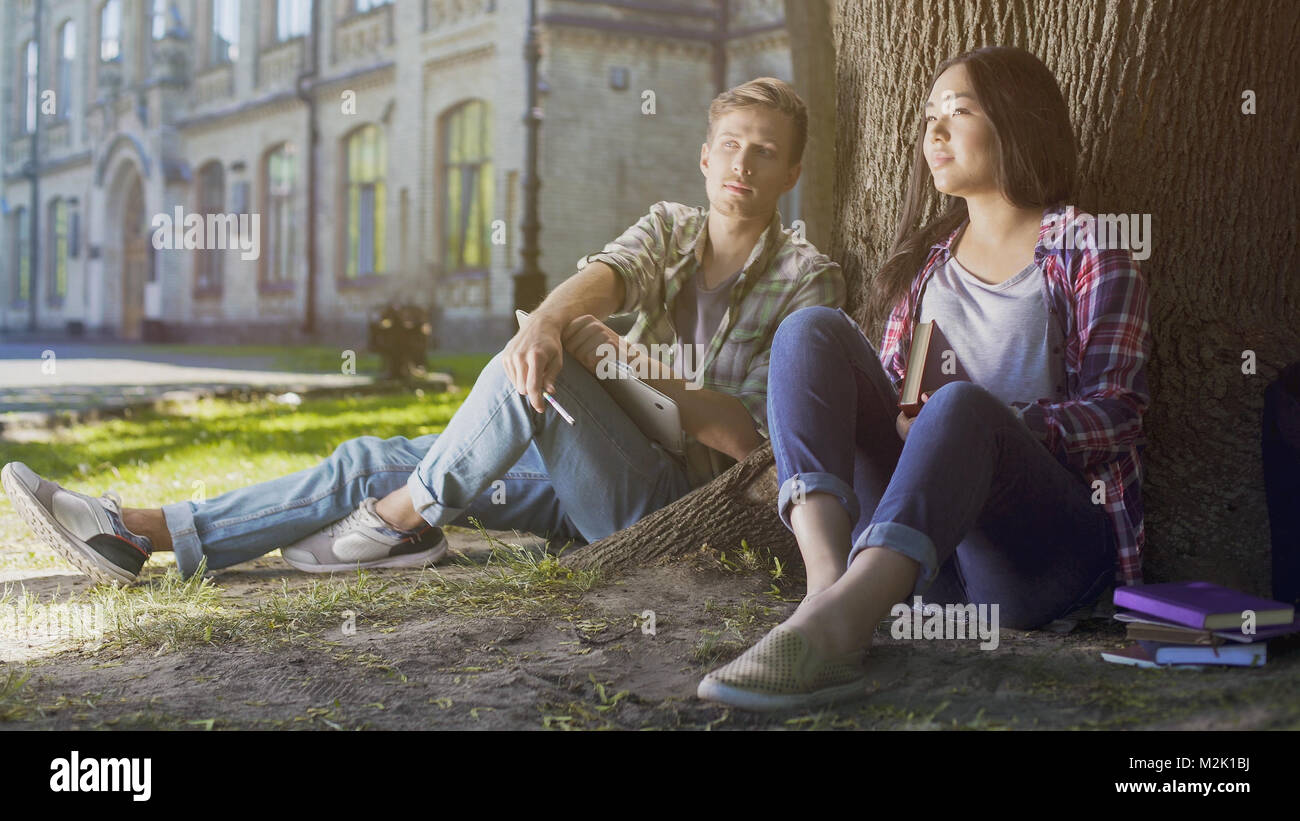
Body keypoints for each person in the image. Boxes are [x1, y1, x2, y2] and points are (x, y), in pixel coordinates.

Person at [2, 77, 845, 587]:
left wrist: (622, 364)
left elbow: (756, 441)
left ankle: (409, 513)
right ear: (703, 157)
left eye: (764, 152)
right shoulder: (670, 227)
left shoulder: (808, 278)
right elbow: (602, 276)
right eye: (729, 146)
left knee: (551, 374)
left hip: (672, 501)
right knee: (371, 454)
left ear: (793, 172)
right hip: (583, 472)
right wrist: (556, 325)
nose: (742, 165)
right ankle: (141, 531)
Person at [697, 47, 1153, 711]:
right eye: (929, 116)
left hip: (1039, 564)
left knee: (961, 405)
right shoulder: (925, 266)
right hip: (919, 566)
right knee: (811, 329)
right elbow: (886, 404)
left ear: (1019, 124)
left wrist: (996, 420)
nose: (934, 132)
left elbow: (1120, 414)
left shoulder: (1090, 248)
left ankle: (839, 626)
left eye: (958, 112)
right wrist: (917, 420)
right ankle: (827, 591)